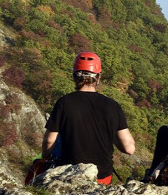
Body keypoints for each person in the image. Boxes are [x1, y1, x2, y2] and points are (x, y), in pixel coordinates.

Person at [42, 52, 135, 185]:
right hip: (102, 176)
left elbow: (49, 141)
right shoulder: (113, 106)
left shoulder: (64, 102)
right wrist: (109, 133)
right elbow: (129, 148)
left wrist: (45, 157)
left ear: (75, 76)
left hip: (70, 173)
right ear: (98, 77)